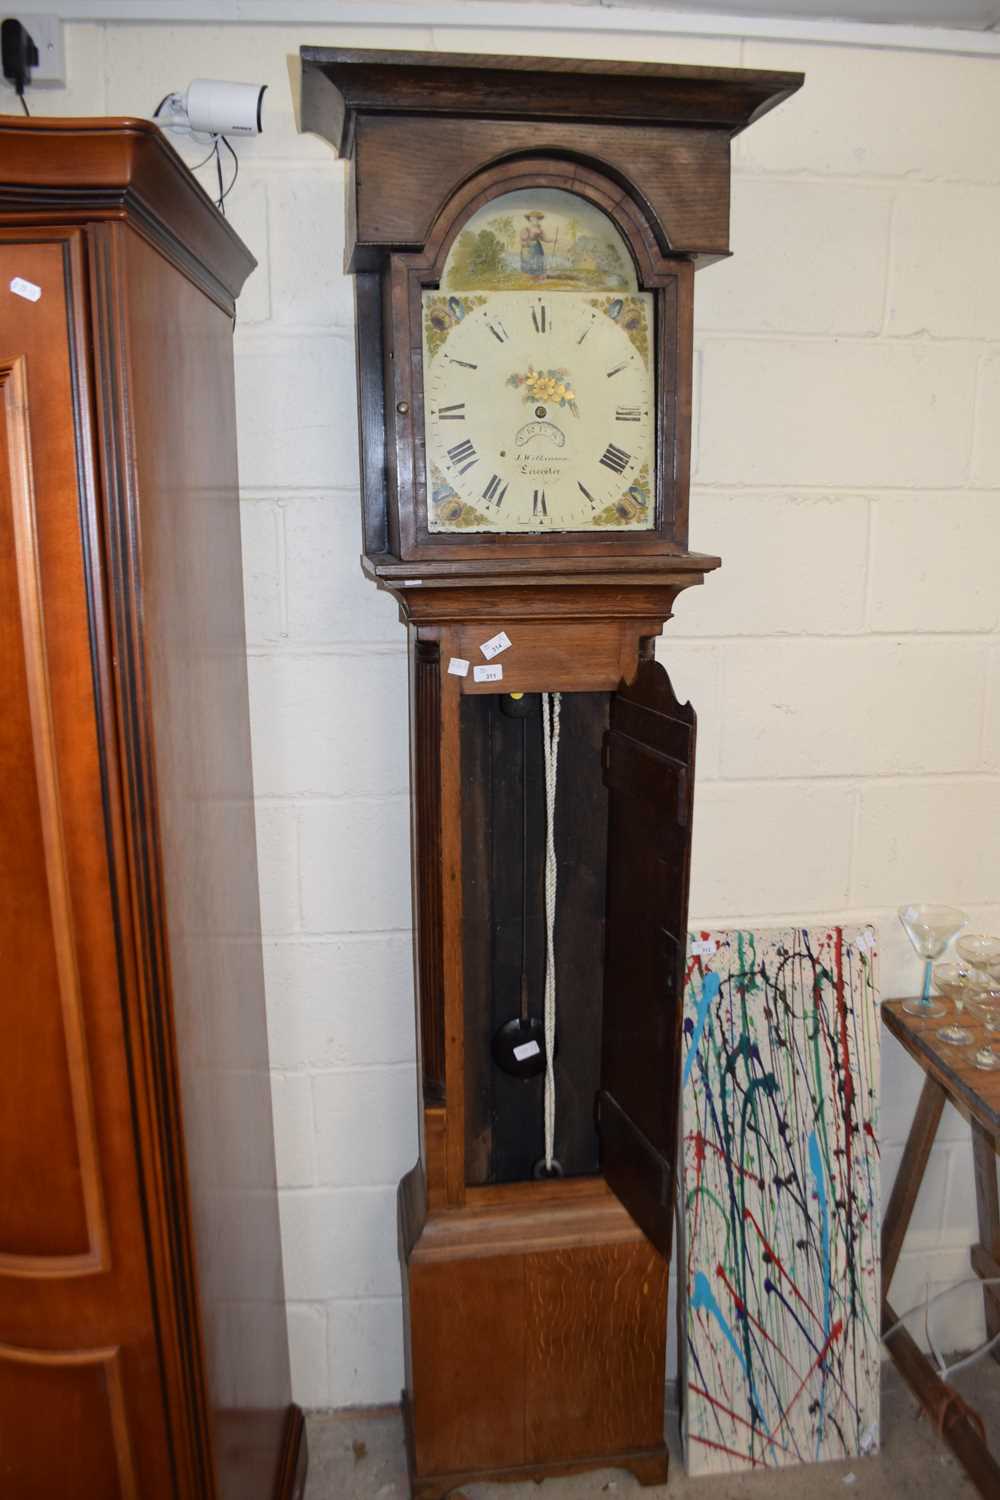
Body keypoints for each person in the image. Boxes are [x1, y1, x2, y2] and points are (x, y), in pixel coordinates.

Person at [520, 210, 555, 280]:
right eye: (533, 219)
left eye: (537, 219)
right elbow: (523, 239)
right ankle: (530, 275)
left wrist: (552, 240)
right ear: (530, 220)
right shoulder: (527, 229)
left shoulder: (540, 230)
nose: (535, 221)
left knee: (538, 261)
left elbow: (544, 238)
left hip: (537, 248)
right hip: (529, 247)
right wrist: (527, 242)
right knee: (530, 260)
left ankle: (539, 276)